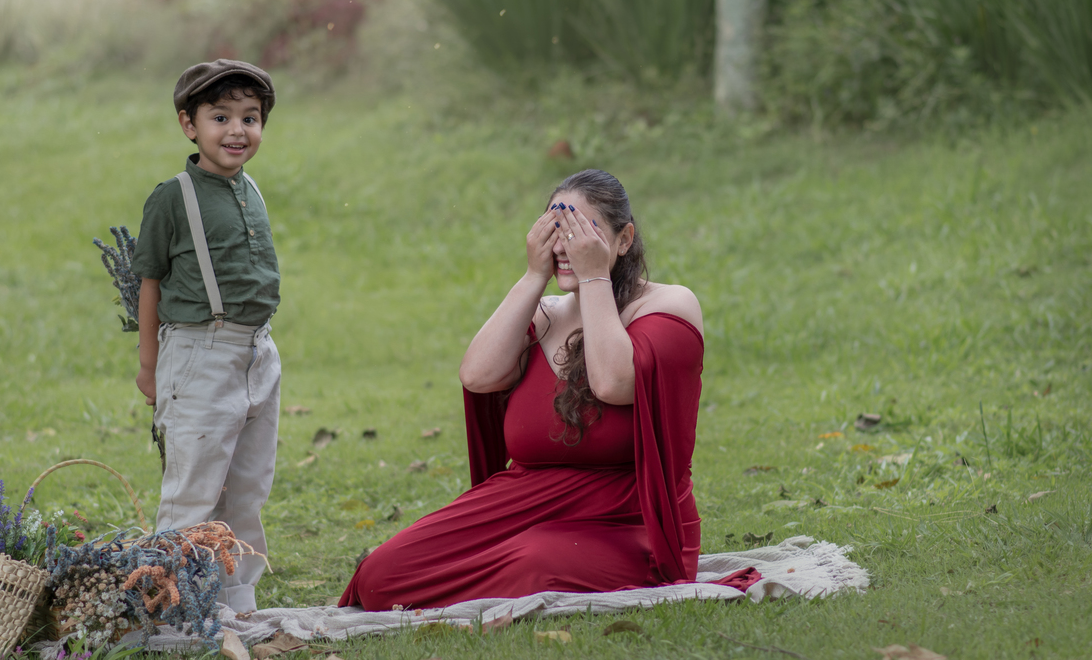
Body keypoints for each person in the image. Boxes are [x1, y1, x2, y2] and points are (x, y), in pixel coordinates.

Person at [340, 169, 757, 610]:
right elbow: (477, 377)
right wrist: (532, 277)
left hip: (627, 518)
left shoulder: (669, 304)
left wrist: (594, 277)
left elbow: (613, 383)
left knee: (534, 562)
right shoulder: (545, 314)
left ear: (624, 238)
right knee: (381, 575)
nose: (565, 245)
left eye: (583, 231)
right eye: (556, 230)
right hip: (523, 504)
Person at [131, 59, 282, 613]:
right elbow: (149, 281)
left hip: (257, 352)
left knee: (246, 488)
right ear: (188, 125)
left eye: (251, 117)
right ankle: (169, 608)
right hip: (200, 353)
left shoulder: (250, 190)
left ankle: (235, 600)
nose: (238, 130)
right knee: (193, 491)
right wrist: (149, 366)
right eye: (221, 117)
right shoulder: (174, 197)